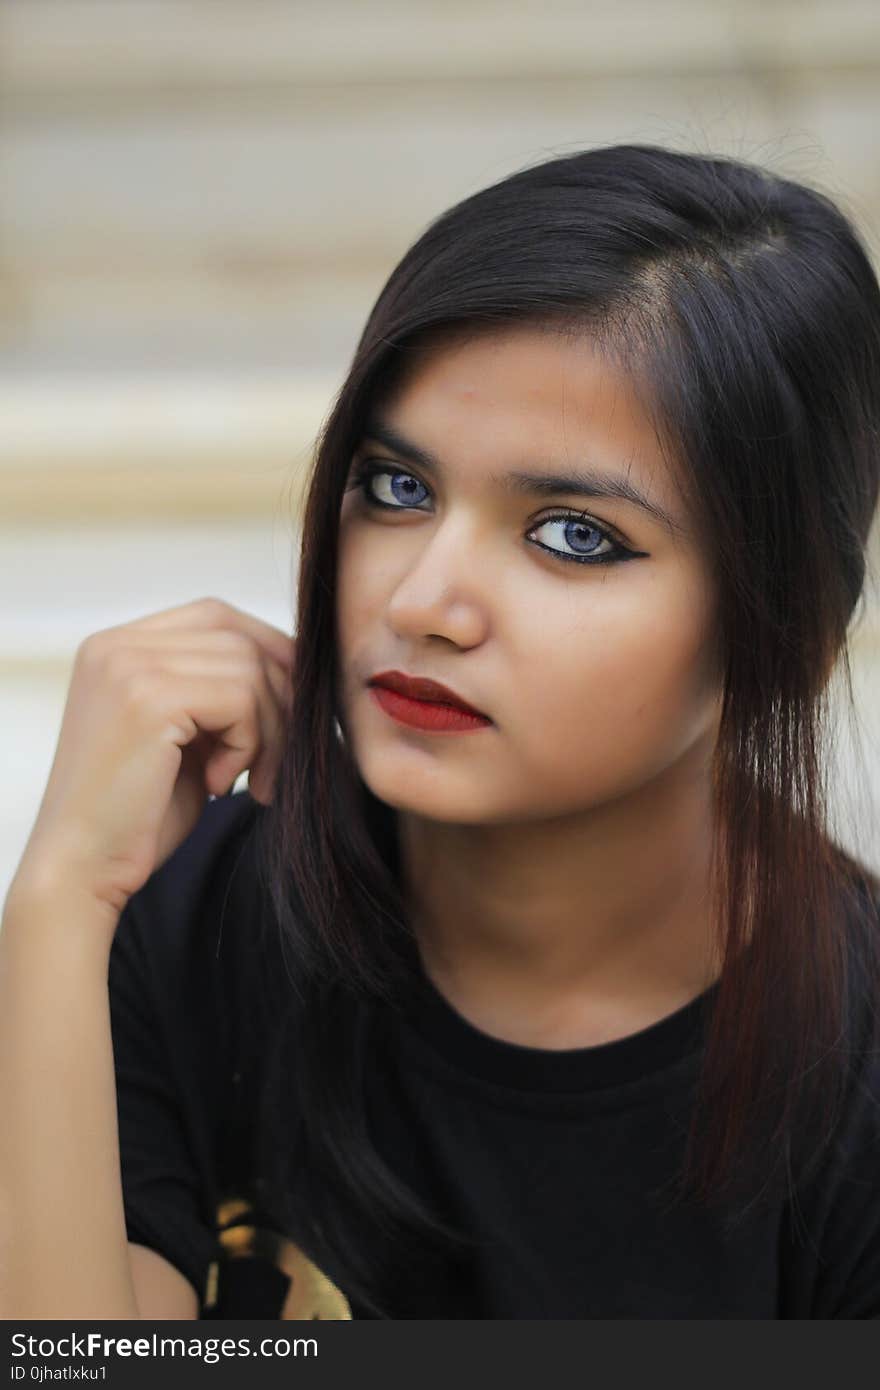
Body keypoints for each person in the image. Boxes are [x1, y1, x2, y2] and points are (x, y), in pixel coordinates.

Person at [1, 142, 879, 1321]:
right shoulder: (188, 919)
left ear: (791, 628)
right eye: (397, 488)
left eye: (573, 534)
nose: (419, 602)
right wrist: (60, 893)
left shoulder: (850, 1071)